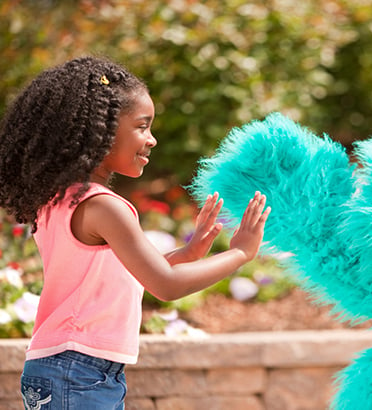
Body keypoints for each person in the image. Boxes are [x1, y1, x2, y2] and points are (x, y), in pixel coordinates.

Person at [0, 56, 270, 409]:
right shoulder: (104, 206)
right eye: (142, 126)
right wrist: (241, 253)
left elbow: (112, 278)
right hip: (79, 371)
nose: (152, 140)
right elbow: (167, 285)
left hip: (68, 368)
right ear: (100, 129)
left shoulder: (60, 200)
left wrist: (186, 255)